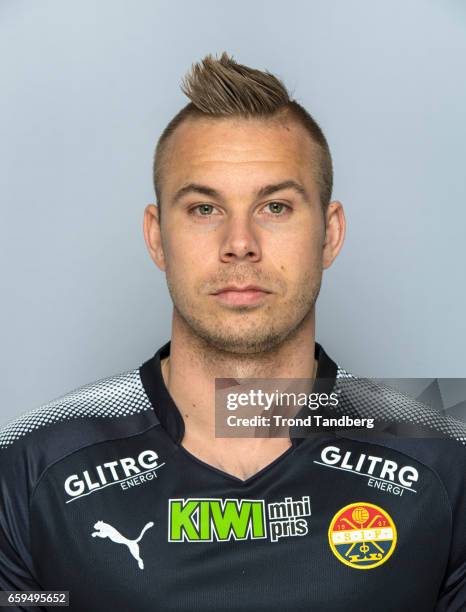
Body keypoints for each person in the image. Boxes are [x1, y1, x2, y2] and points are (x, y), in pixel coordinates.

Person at [0, 53, 464, 612]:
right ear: (156, 237)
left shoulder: (443, 462)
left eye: (274, 206)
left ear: (329, 235)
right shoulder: (32, 468)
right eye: (203, 208)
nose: (239, 242)